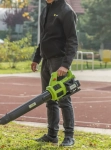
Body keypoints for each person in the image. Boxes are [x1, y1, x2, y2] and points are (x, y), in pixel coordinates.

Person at [31, 0, 78, 147]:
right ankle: (52, 135)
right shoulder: (45, 10)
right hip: (46, 61)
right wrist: (37, 58)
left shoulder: (66, 11)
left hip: (59, 62)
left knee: (64, 100)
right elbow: (44, 37)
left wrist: (65, 65)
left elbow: (72, 40)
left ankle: (69, 136)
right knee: (49, 99)